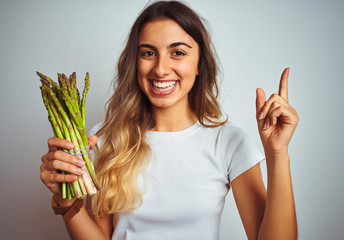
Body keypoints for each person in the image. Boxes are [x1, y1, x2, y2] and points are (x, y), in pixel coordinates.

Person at [40, 1, 298, 239]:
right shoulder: (106, 138)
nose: (161, 69)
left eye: (177, 53)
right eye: (148, 53)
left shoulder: (228, 141)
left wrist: (277, 152)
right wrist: (66, 203)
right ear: (135, 62)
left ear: (200, 64)